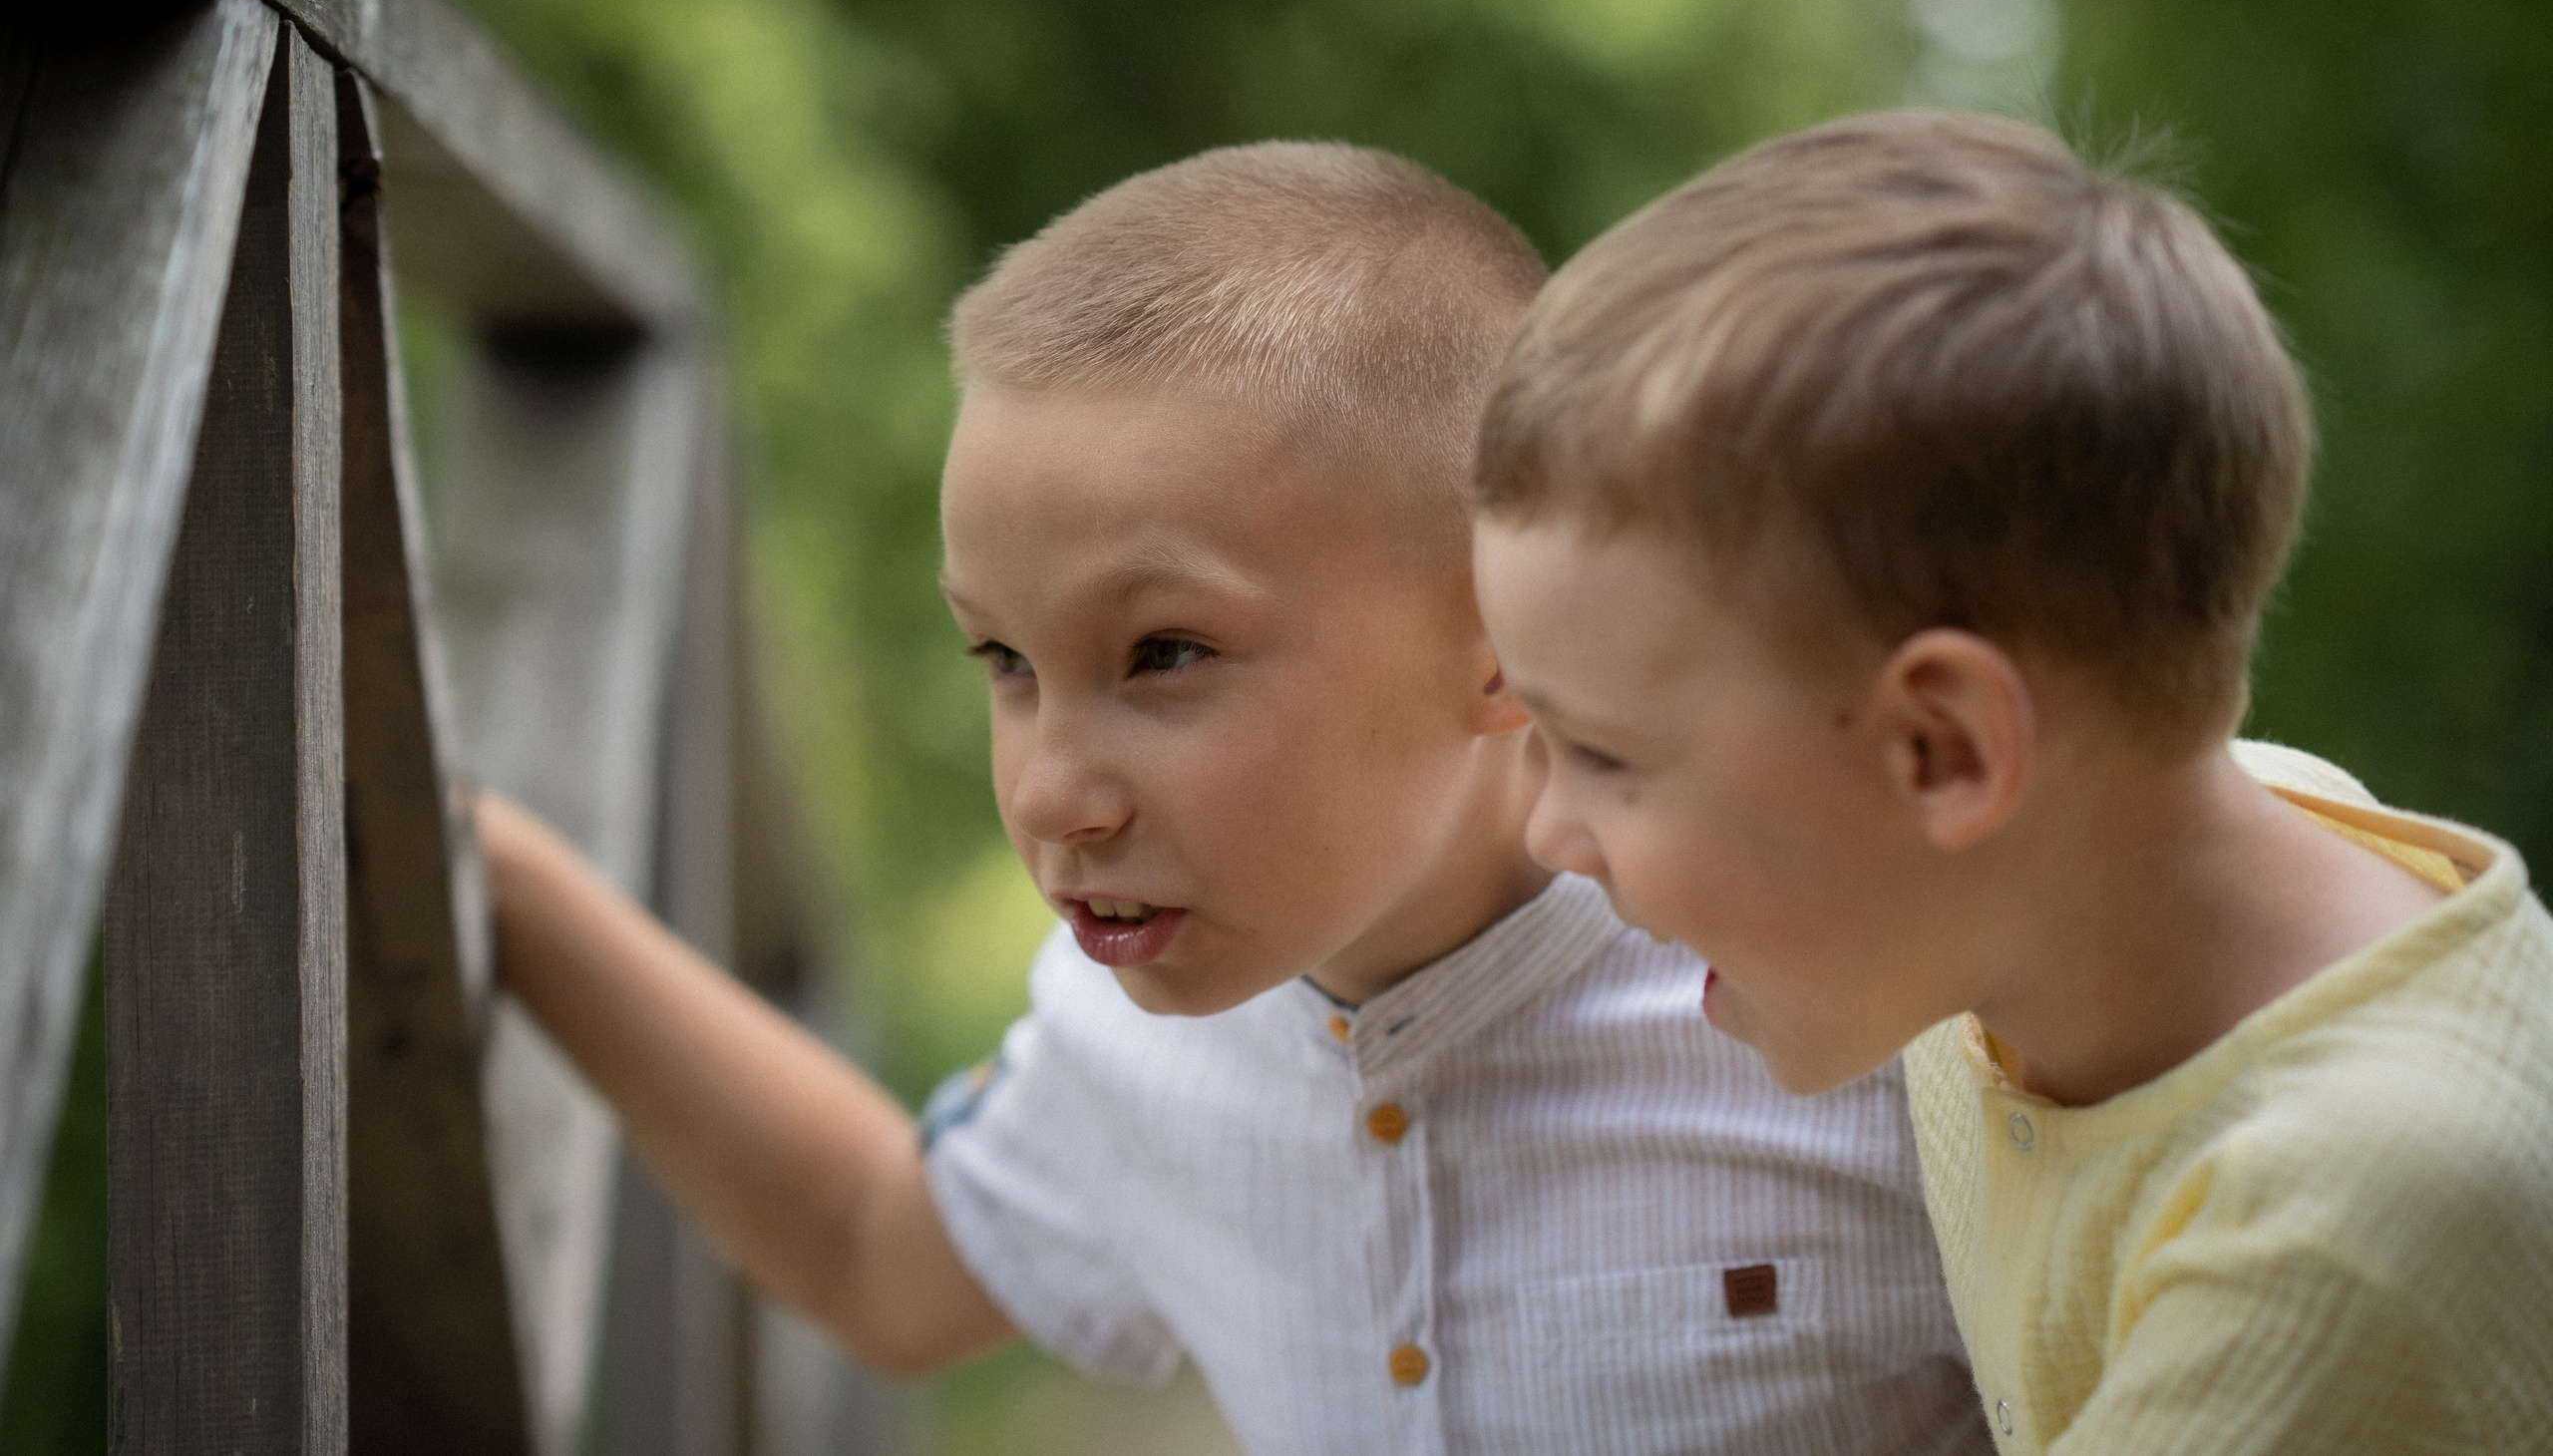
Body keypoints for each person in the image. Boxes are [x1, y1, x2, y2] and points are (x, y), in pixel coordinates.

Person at [476, 140, 1993, 1456]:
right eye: (1004, 659)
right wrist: (505, 879)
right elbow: (873, 1249)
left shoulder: (1855, 1016)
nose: (1053, 794)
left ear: (1504, 635)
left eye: (1166, 653)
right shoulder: (1124, 1056)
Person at [1469, 109, 2553, 1455]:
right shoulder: (2088, 875)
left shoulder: (2336, 1224)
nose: (1547, 828)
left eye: (1608, 756)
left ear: (1948, 751)